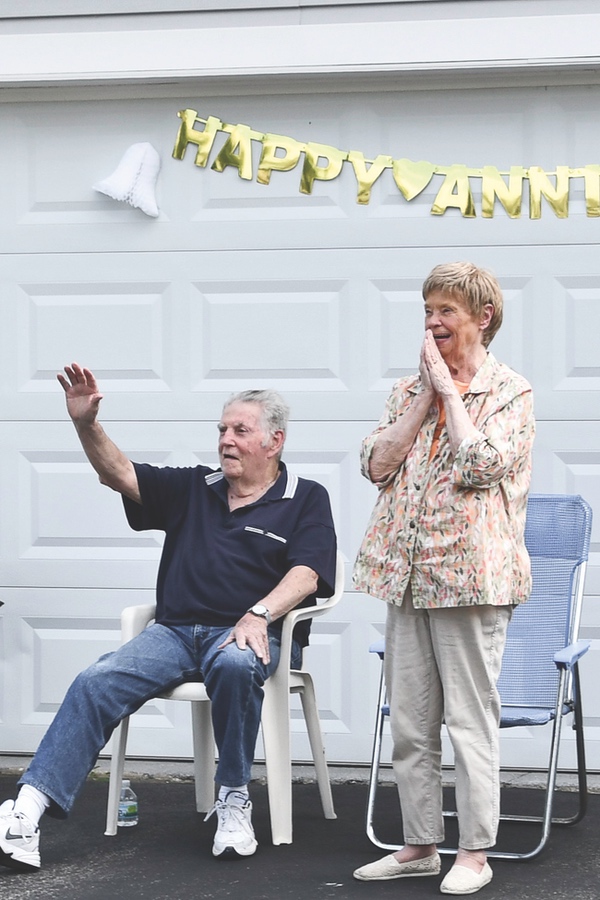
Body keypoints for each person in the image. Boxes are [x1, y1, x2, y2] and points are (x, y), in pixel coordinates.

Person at [0, 364, 336, 872]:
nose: (225, 440)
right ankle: (26, 813)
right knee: (97, 680)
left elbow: (309, 573)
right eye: (222, 429)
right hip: (175, 633)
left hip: (251, 632)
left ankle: (234, 799)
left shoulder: (305, 497)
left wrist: (257, 614)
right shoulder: (193, 487)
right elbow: (118, 472)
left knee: (233, 665)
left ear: (274, 441)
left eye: (240, 430)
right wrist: (86, 424)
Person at [352, 263, 535, 895]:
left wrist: (453, 396)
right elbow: (375, 464)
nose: (432, 322)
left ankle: (475, 852)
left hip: (471, 579)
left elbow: (482, 464)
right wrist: (427, 396)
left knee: (468, 719)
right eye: (428, 309)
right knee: (411, 720)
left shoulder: (510, 391)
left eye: (446, 311)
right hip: (407, 576)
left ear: (482, 318)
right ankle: (421, 844)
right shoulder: (409, 391)